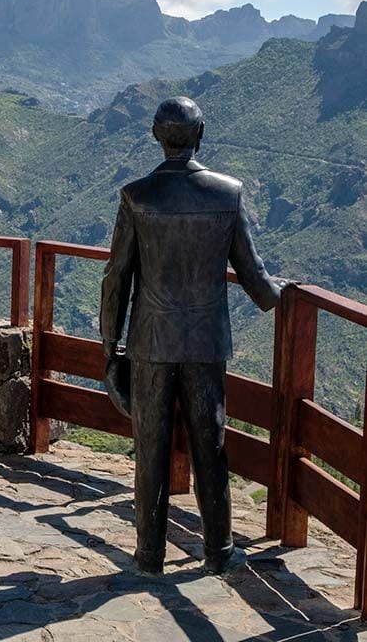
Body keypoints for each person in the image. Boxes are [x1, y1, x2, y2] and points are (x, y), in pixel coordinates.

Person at [99, 96, 287, 575]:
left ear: (157, 136)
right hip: (204, 344)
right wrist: (283, 295)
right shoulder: (228, 194)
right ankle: (219, 550)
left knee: (150, 449)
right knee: (211, 446)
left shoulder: (135, 196)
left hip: (149, 343)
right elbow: (255, 278)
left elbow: (116, 279)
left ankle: (148, 554)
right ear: (200, 134)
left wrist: (110, 350)